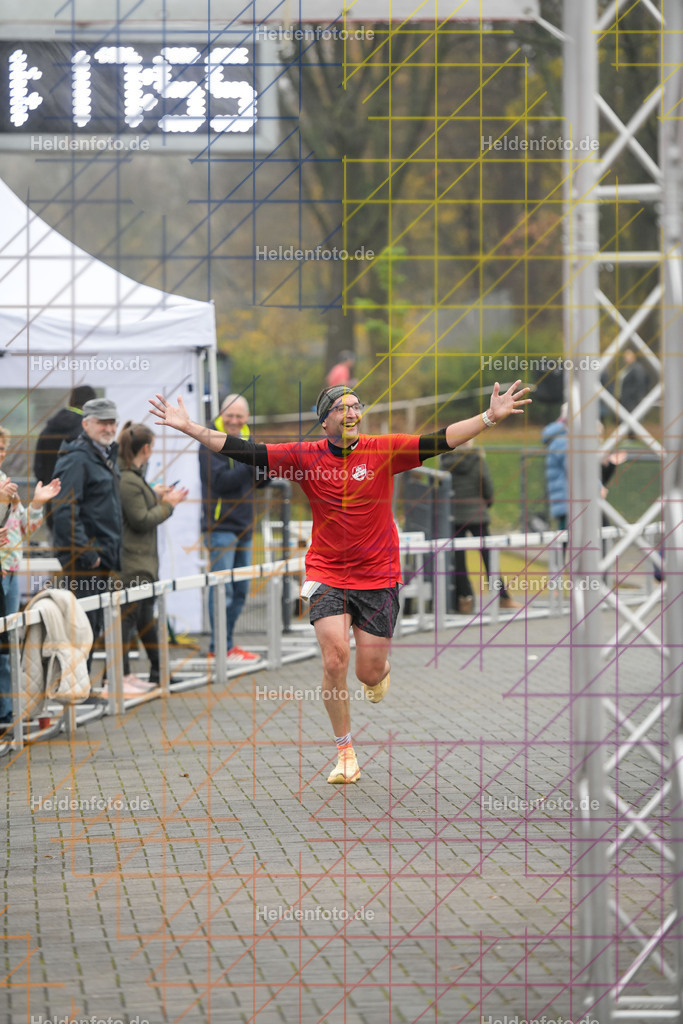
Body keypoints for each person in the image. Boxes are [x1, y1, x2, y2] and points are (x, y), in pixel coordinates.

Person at [150, 379, 531, 784]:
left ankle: (379, 670)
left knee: (368, 672)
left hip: (379, 574)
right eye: (342, 408)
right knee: (334, 658)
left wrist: (489, 417)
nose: (352, 413)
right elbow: (245, 451)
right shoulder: (304, 457)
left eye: (356, 406)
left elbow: (440, 440)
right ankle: (345, 753)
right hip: (327, 572)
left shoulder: (383, 450)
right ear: (325, 421)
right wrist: (188, 426)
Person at [51, 397, 123, 662]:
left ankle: (83, 684)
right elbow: (64, 511)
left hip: (101, 558)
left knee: (91, 629)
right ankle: (76, 685)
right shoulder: (77, 459)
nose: (109, 428)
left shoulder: (102, 455)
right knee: (82, 631)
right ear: (86, 424)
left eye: (112, 422)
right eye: (102, 422)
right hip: (84, 561)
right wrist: (88, 554)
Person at [118, 422, 188, 691]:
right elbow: (141, 520)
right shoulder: (128, 480)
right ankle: (119, 676)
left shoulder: (131, 479)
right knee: (127, 622)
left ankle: (159, 672)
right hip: (133, 564)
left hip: (141, 563)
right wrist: (168, 505)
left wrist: (153, 493)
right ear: (146, 449)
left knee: (145, 619)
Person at [0, 426, 61, 726]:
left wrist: (37, 503)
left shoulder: (5, 481)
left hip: (11, 570)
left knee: (8, 644)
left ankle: (8, 709)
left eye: (2, 448)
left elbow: (22, 529)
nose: (0, 453)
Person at [199, 394, 263, 664]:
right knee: (221, 591)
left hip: (245, 525)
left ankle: (226, 644)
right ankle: (220, 647)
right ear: (221, 414)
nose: (234, 421)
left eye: (239, 416)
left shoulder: (248, 439)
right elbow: (220, 482)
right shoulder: (209, 440)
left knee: (240, 592)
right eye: (230, 416)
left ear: (246, 418)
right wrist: (252, 462)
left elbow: (257, 481)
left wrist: (265, 469)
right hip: (220, 527)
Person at [441, 439, 521, 613]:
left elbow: (441, 488)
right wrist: (486, 504)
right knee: (488, 556)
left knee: (458, 560)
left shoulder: (444, 462)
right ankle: (503, 598)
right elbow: (487, 485)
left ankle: (465, 600)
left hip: (454, 515)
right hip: (477, 513)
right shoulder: (477, 459)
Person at [33, 385, 96, 531]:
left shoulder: (47, 430)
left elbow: (39, 469)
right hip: (82, 508)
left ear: (70, 402)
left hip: (52, 505)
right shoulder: (88, 432)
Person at [542, 404, 568, 532]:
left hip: (564, 501)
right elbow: (577, 470)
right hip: (569, 501)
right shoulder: (563, 440)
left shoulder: (558, 437)